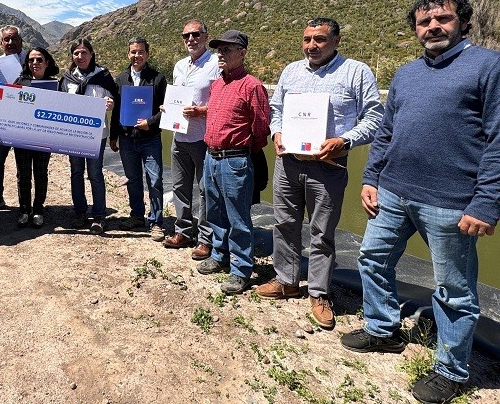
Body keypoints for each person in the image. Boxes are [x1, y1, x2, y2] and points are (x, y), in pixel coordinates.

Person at [340, 0, 500, 404]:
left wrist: (486, 203)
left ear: (462, 22)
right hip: (393, 191)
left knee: (454, 288)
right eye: (423, 22)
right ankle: (382, 330)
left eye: (442, 19)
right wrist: (371, 177)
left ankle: (451, 370)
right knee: (372, 258)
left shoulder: (488, 66)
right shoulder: (407, 73)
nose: (432, 27)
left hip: (451, 201)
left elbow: (498, 140)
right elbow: (386, 133)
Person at [263, 17, 383, 330]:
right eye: (307, 39)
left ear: (336, 41)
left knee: (322, 232)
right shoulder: (290, 70)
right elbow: (276, 110)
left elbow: (374, 118)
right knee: (285, 224)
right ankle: (287, 280)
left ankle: (318, 292)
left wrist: (346, 140)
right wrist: (276, 132)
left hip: (328, 166)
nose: (312, 46)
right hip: (288, 162)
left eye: (319, 39)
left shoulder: (356, 72)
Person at [196, 30, 270, 295]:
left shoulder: (253, 86)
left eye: (228, 49)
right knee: (215, 211)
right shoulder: (217, 84)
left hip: (235, 160)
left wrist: (242, 151)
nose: (221, 54)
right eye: (219, 50)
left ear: (243, 53)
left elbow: (261, 130)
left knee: (238, 217)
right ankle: (219, 254)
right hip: (210, 156)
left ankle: (240, 269)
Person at [162, 20, 219, 260]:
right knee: (179, 187)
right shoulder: (179, 66)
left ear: (205, 36)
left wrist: (202, 111)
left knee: (206, 189)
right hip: (180, 136)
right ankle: (183, 231)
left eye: (196, 34)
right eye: (186, 35)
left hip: (203, 138)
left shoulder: (216, 63)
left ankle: (206, 239)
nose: (191, 39)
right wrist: (168, 108)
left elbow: (221, 99)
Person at [109, 37, 167, 242]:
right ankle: (136, 216)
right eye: (133, 52)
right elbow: (116, 110)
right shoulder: (120, 79)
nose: (137, 56)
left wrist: (150, 122)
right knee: (133, 180)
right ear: (128, 54)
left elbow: (165, 111)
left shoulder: (158, 79)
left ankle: (157, 221)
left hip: (150, 138)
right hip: (126, 139)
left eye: (140, 52)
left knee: (156, 179)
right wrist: (113, 135)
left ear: (147, 54)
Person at [59, 38, 118, 234]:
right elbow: (58, 104)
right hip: (73, 133)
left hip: (97, 134)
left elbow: (116, 100)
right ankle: (80, 211)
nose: (80, 56)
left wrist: (111, 104)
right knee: (76, 172)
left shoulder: (103, 76)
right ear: (72, 56)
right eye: (76, 53)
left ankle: (99, 215)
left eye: (84, 52)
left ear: (91, 54)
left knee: (95, 173)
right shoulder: (67, 79)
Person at [13, 47, 59, 227]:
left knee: (40, 174)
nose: (35, 63)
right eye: (31, 60)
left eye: (39, 59)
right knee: (23, 174)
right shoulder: (19, 82)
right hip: (22, 136)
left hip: (44, 137)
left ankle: (38, 209)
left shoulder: (55, 84)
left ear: (47, 62)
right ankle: (24, 210)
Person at [0, 24, 26, 214]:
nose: (10, 42)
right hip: (1, 122)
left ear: (21, 41)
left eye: (14, 39)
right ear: (1, 43)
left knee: (24, 164)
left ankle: (25, 202)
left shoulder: (32, 59)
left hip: (27, 123)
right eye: (6, 40)